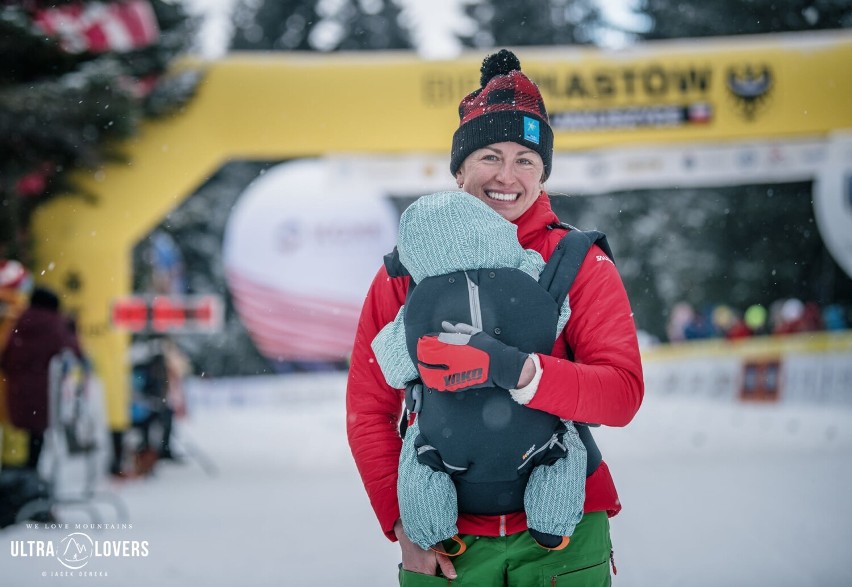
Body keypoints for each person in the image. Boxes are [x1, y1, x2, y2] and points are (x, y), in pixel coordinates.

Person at [346, 49, 644, 585]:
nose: (507, 176)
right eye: (489, 155)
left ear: (543, 173)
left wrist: (523, 372)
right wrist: (401, 522)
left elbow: (621, 394)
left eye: (525, 160)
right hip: (446, 543)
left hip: (564, 539)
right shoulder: (405, 271)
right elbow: (369, 406)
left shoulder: (577, 262)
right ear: (459, 167)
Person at [371, 190, 587, 552]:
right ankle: (552, 520)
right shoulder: (527, 279)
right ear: (494, 230)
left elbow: (393, 368)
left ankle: (432, 529)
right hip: (531, 433)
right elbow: (555, 317)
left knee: (420, 459)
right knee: (564, 447)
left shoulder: (417, 304)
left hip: (446, 438)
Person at [1, 286, 82, 471]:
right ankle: (32, 477)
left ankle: (17, 477)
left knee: (20, 436)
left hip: (16, 392)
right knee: (38, 435)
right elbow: (74, 352)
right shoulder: (57, 324)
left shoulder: (19, 321)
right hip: (45, 392)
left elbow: (5, 359)